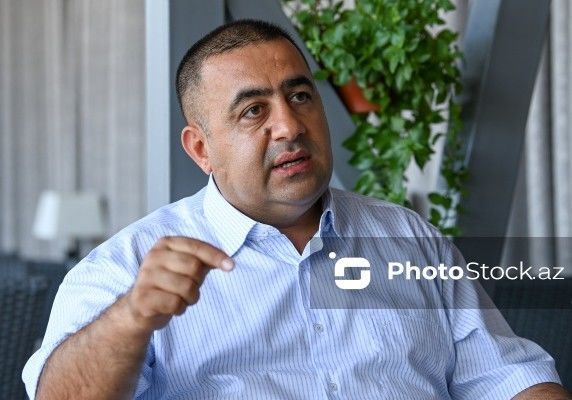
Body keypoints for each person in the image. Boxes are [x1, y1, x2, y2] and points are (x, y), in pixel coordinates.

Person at [23, 19, 569, 399]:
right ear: (201, 149)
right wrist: (134, 317)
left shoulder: (407, 237)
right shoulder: (125, 267)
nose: (288, 125)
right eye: (253, 111)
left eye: (300, 96)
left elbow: (505, 378)